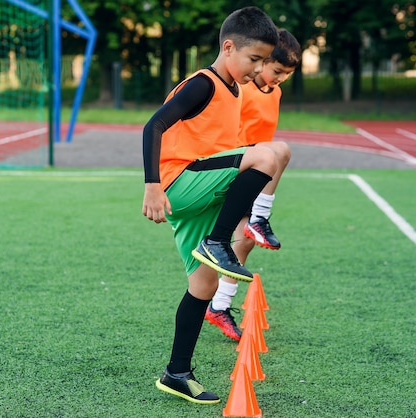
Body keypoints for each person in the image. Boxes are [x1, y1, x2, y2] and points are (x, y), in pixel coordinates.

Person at [141, 7, 279, 405]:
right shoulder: (204, 83)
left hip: (200, 188)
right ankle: (217, 242)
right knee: (267, 156)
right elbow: (154, 125)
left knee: (204, 283)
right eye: (253, 59)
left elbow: (221, 156)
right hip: (178, 183)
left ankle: (176, 373)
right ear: (228, 46)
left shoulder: (235, 90)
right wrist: (152, 186)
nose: (256, 68)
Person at [204, 28, 302, 341]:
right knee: (282, 149)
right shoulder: (241, 89)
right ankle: (260, 217)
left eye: (287, 74)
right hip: (236, 166)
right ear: (261, 62)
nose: (280, 78)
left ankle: (219, 306)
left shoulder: (276, 93)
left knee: (243, 242)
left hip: (257, 170)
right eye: (277, 70)